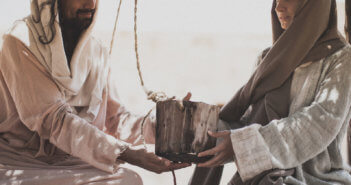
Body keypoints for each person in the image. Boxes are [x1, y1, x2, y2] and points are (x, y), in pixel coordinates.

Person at [0, 0, 189, 184]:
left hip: (75, 164)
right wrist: (127, 153)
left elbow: (115, 121)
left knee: (129, 179)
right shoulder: (19, 41)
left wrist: (163, 124)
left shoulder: (96, 52)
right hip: (21, 163)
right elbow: (54, 120)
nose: (91, 3)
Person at [189, 0, 351, 184]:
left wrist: (244, 146)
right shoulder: (267, 59)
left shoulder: (341, 59)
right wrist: (194, 123)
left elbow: (319, 123)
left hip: (317, 180)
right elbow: (245, 124)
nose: (278, 7)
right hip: (264, 178)